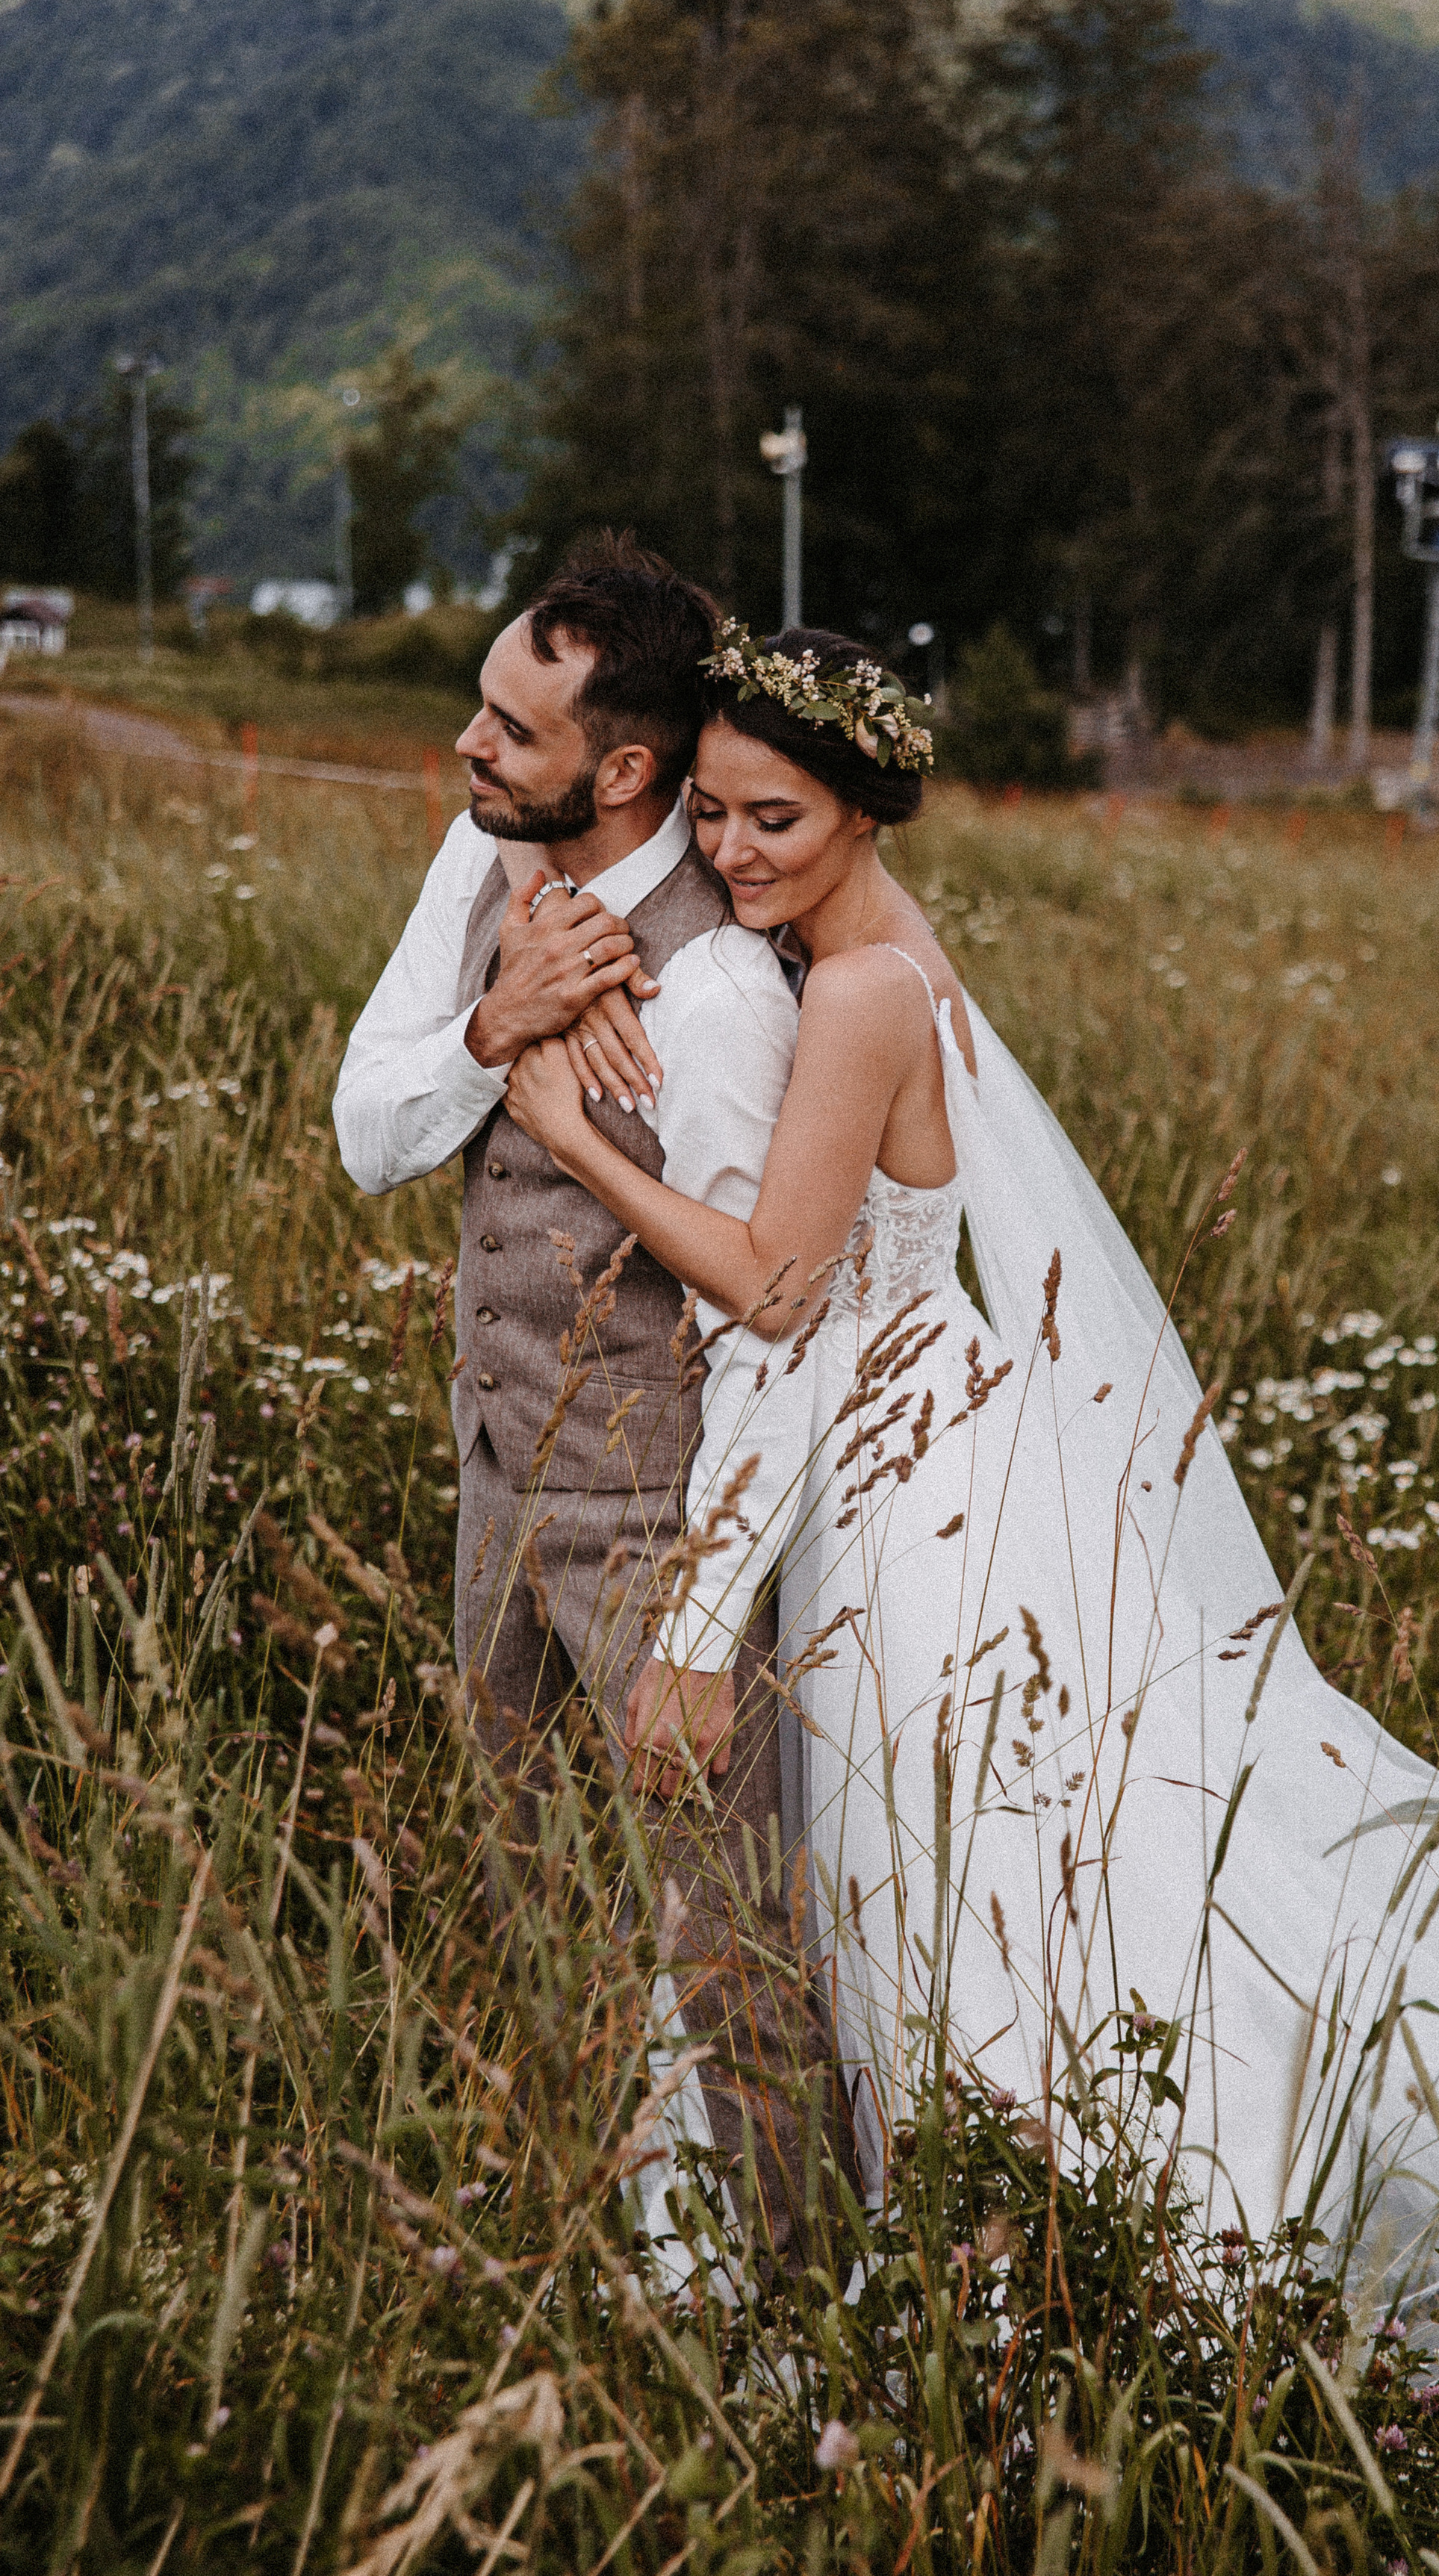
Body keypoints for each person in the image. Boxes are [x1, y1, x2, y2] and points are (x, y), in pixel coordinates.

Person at [501, 618, 1439, 2341]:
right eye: (709, 815)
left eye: (771, 821)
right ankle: (1003, 2247)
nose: (728, 854)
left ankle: (1078, 2266)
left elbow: (783, 1293)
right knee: (1012, 1876)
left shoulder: (858, 992)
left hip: (904, 1489)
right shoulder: (860, 955)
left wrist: (571, 1144)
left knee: (943, 1899)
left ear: (868, 812)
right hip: (946, 1438)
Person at [332, 539, 843, 2260]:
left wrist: (702, 1627)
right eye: (480, 703)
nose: (467, 745)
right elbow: (362, 1131)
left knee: (730, 1945)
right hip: (499, 1482)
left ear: (621, 769)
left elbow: (776, 1315)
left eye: (507, 723)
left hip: (653, 1526)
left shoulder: (709, 989)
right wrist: (492, 1027)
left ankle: (793, 2309)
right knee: (522, 1899)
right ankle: (574, 2239)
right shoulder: (476, 860)